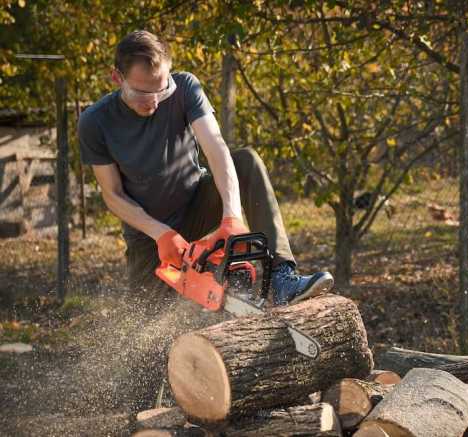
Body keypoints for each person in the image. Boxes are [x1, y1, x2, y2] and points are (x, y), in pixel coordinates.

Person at [78, 30, 334, 305]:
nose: (153, 101)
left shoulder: (186, 87)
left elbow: (216, 147)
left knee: (246, 161)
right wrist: (160, 233)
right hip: (148, 235)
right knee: (146, 325)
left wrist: (232, 217)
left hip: (195, 204)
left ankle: (283, 278)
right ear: (117, 77)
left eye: (161, 90)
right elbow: (113, 195)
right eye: (141, 92)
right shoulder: (95, 122)